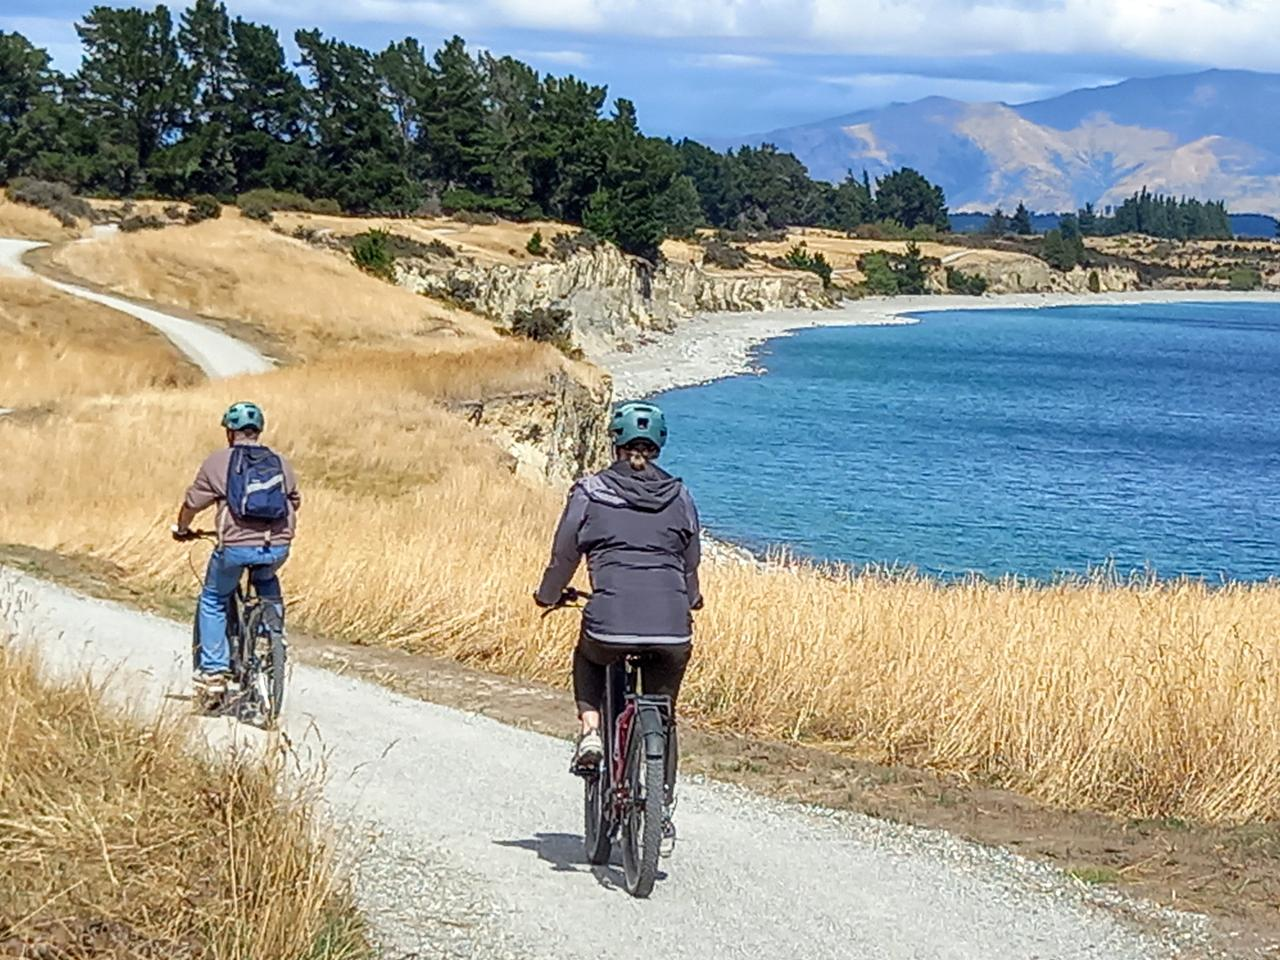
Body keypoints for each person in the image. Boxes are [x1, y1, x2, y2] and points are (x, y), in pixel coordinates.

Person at [535, 400, 703, 772]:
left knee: (589, 655)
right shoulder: (681, 496)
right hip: (672, 628)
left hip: (610, 622)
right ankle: (660, 799)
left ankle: (592, 731)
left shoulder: (590, 491)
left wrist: (547, 595)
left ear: (615, 443)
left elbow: (565, 554)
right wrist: (691, 599)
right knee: (663, 710)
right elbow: (690, 561)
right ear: (658, 446)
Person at [173, 401, 301, 699]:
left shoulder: (218, 462)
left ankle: (215, 672)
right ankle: (272, 636)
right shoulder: (280, 462)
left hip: (235, 547)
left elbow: (192, 503)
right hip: (278, 545)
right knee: (267, 580)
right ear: (258, 431)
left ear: (230, 432)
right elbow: (294, 501)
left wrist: (182, 529)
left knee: (214, 598)